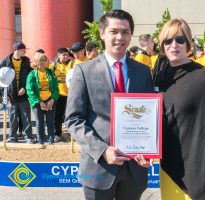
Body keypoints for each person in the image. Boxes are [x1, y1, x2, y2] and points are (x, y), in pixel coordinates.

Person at [65, 9, 154, 200]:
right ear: (102, 33)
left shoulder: (144, 71)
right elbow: (73, 119)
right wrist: (102, 150)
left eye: (125, 32)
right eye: (114, 31)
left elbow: (149, 116)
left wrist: (148, 150)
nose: (119, 37)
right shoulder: (83, 71)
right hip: (98, 167)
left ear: (131, 35)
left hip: (135, 169)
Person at [154, 18, 205, 200]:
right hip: (169, 168)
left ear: (189, 44)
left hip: (198, 169)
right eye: (168, 41)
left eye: (180, 40)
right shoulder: (158, 77)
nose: (174, 45)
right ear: (162, 45)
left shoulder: (204, 78)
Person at [0, 42, 34, 144]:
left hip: (23, 95)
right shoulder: (5, 62)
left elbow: (30, 77)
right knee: (12, 118)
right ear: (17, 50)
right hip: (11, 95)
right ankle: (13, 137)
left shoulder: (26, 61)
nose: (25, 52)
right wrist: (4, 95)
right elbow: (0, 80)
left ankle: (29, 137)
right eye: (24, 50)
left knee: (26, 117)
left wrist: (25, 88)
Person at [26, 53, 59, 144]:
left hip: (50, 101)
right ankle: (41, 140)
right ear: (36, 62)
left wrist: (52, 99)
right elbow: (30, 90)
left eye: (46, 60)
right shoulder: (32, 74)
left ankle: (51, 140)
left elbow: (56, 88)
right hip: (37, 102)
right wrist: (40, 102)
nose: (45, 62)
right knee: (39, 122)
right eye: (42, 60)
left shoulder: (51, 73)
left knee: (50, 122)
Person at [49, 48, 71, 142]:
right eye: (63, 55)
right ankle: (57, 133)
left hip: (70, 94)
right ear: (58, 55)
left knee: (70, 115)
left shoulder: (72, 64)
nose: (65, 56)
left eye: (67, 54)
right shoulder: (53, 66)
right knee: (57, 115)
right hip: (58, 95)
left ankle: (73, 134)